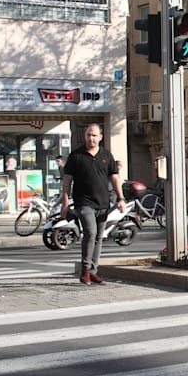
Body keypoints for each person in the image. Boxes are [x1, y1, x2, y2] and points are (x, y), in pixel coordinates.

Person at [58, 123, 121, 286]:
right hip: (83, 203)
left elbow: (115, 178)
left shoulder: (106, 155)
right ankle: (85, 270)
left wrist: (121, 198)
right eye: (88, 135)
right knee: (90, 232)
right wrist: (65, 204)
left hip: (103, 203)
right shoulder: (76, 156)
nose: (91, 138)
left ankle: (93, 271)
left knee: (99, 237)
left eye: (94, 135)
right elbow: (67, 181)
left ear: (100, 137)